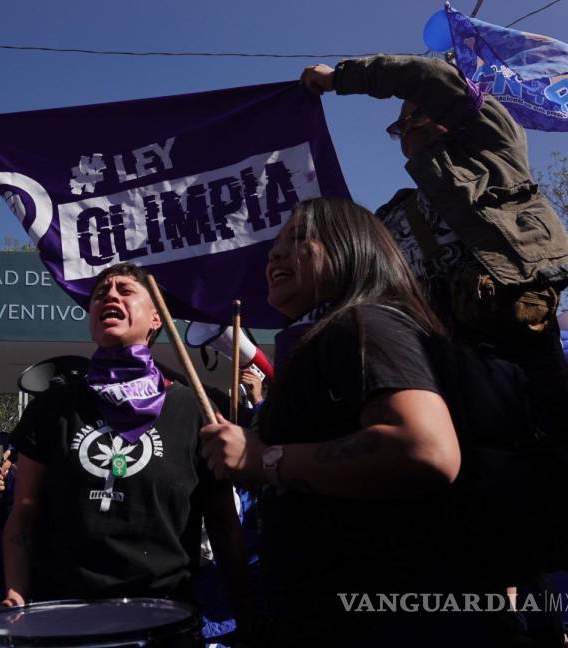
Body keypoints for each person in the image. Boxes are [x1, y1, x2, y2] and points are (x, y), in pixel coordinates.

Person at [200, 198, 524, 646]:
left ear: (349, 247)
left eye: (298, 238)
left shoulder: (362, 323)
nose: (274, 254)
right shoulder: (342, 331)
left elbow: (424, 449)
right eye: (275, 245)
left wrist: (266, 458)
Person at [300, 56, 568, 480]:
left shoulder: (492, 148)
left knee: (549, 479)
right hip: (437, 370)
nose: (410, 128)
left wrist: (339, 79)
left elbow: (429, 78)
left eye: (418, 113)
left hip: (514, 351)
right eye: (401, 127)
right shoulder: (392, 215)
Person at [1, 263, 251, 627]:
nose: (110, 296)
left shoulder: (195, 409)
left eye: (125, 290)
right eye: (101, 293)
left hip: (165, 620)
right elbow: (24, 514)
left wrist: (248, 613)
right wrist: (17, 592)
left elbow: (222, 523)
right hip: (63, 620)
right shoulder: (53, 406)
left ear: (155, 318)